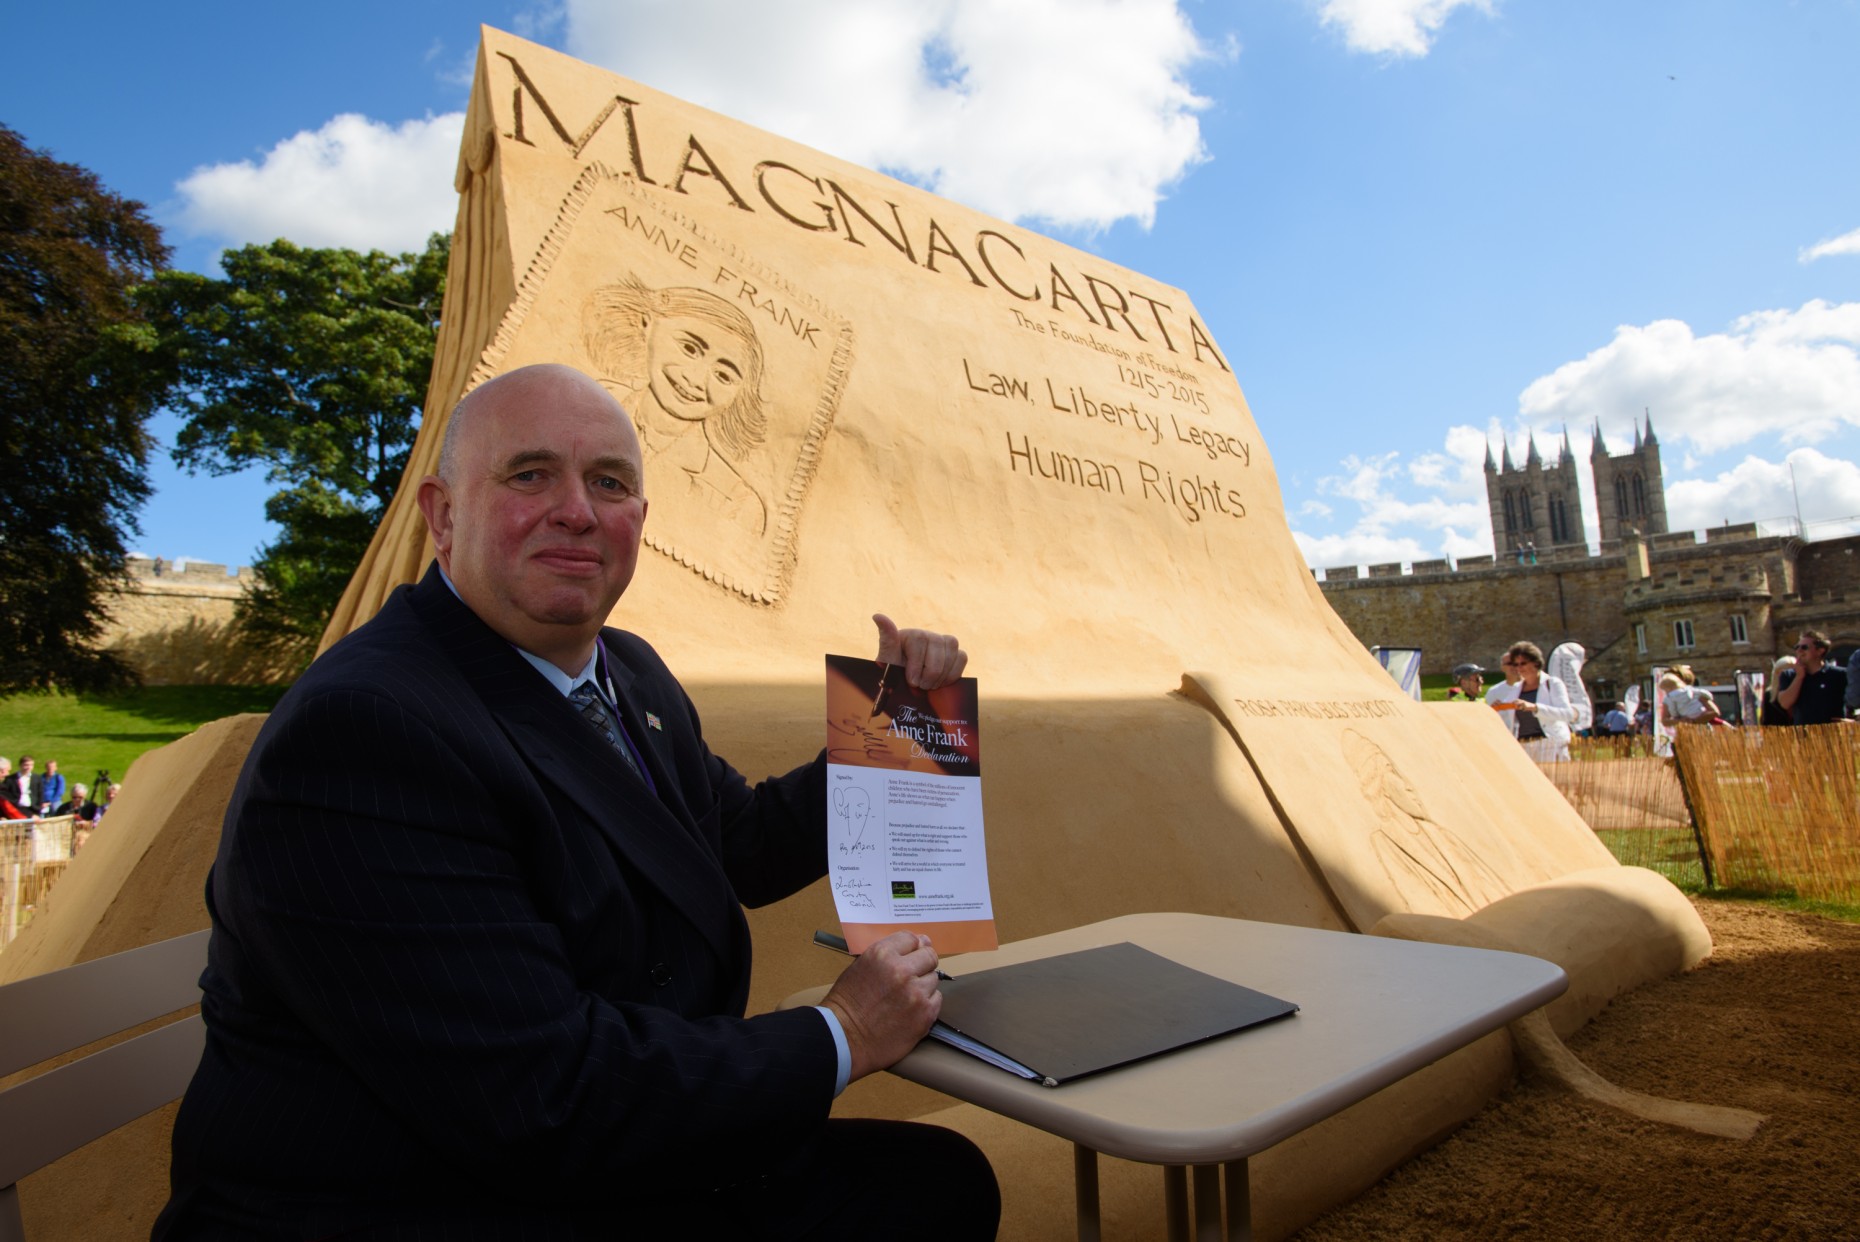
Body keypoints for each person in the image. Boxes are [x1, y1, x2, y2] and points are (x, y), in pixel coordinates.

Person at [155, 364, 998, 1240]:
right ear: (442, 515)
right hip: (420, 1199)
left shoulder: (626, 670)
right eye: (530, 474)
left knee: (939, 1181)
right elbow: (539, 1094)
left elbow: (738, 842)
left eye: (609, 483)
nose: (578, 510)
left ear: (639, 520)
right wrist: (845, 1030)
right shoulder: (365, 730)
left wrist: (897, 723)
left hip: (597, 1153)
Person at [584, 275, 771, 536]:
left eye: (723, 376)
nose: (695, 379)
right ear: (648, 325)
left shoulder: (738, 502)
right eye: (689, 348)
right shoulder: (577, 401)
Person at [1488, 641, 1576, 762]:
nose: (1519, 668)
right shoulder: (1515, 689)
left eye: (1523, 663)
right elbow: (1509, 720)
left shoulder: (1552, 684)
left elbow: (1568, 714)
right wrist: (1498, 709)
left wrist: (1535, 708)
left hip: (1550, 745)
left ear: (1536, 663)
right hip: (1524, 747)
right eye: (1516, 664)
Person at [1775, 630, 1848, 726]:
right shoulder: (1788, 675)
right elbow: (1785, 703)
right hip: (1804, 737)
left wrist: (1855, 721)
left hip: (1835, 735)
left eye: (1804, 647)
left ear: (1820, 651)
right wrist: (1799, 677)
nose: (1799, 651)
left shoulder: (1840, 674)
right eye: (1797, 647)